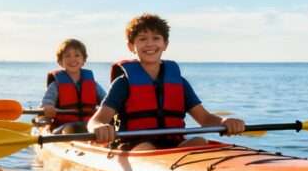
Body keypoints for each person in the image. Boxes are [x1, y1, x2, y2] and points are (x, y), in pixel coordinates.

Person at [87, 13, 245, 150]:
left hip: (172, 147)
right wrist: (99, 127)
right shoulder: (123, 84)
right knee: (146, 147)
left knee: (199, 141)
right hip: (134, 146)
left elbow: (205, 119)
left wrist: (225, 122)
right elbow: (96, 120)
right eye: (142, 39)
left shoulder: (179, 83)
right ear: (131, 46)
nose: (149, 44)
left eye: (156, 38)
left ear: (165, 44)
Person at [41, 38, 107, 133]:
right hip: (64, 128)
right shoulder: (56, 85)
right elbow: (47, 102)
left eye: (77, 55)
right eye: (67, 56)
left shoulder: (93, 84)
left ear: (84, 60)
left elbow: (106, 101)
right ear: (60, 62)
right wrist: (47, 107)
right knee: (73, 128)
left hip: (89, 126)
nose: (72, 59)